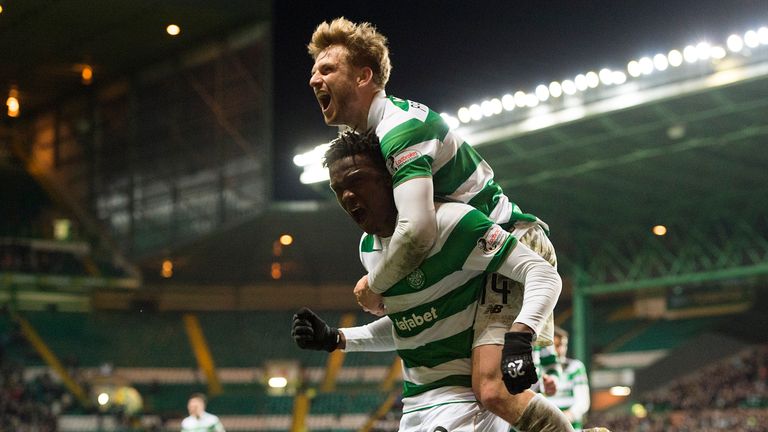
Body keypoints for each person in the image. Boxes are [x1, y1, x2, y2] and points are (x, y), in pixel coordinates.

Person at [306, 17, 560, 418]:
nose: (314, 80)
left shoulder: (399, 130)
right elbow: (409, 317)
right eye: (313, 71)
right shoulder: (379, 138)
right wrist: (341, 337)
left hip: (509, 245)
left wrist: (376, 283)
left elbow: (418, 230)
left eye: (327, 69)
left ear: (364, 76)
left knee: (491, 391)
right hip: (474, 255)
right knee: (481, 397)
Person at [293, 130, 574, 431]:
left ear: (390, 178)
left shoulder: (451, 223)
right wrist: (337, 338)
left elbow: (543, 273)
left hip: (467, 401)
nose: (348, 196)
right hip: (416, 405)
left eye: (357, 180)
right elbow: (411, 321)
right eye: (338, 189)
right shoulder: (369, 249)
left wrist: (520, 335)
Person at [547, 327, 591, 430]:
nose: (561, 350)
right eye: (557, 346)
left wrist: (568, 416)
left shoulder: (576, 367)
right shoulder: (539, 369)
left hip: (572, 427)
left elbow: (583, 401)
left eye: (564, 345)